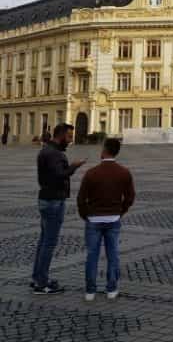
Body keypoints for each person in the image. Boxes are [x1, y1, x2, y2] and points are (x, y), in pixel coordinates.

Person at [77, 138, 135, 301]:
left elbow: (81, 198)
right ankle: (111, 289)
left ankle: (90, 291)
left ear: (104, 150)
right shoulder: (124, 172)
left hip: (93, 219)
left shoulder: (91, 173)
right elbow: (130, 197)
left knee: (92, 255)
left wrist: (85, 215)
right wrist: (121, 211)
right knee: (113, 254)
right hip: (113, 218)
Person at [32, 123, 86, 294]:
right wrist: (74, 166)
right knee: (49, 243)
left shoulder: (46, 150)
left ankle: (37, 277)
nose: (70, 140)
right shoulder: (54, 153)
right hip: (53, 201)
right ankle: (42, 284)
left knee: (44, 240)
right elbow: (59, 175)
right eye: (69, 137)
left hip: (46, 199)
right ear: (61, 135)